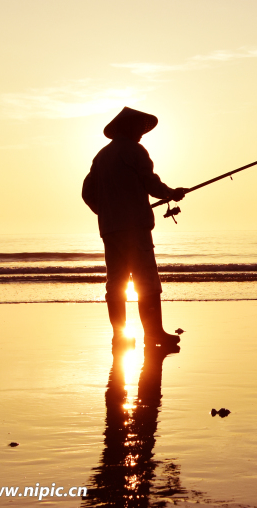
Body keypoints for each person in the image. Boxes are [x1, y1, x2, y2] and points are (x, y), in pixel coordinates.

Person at [82, 107, 187, 348]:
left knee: (116, 282)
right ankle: (154, 334)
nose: (142, 133)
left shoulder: (101, 156)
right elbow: (151, 183)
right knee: (146, 281)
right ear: (128, 127)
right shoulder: (135, 151)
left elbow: (87, 193)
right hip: (136, 229)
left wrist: (106, 211)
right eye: (139, 128)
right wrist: (173, 193)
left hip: (110, 230)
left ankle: (120, 336)